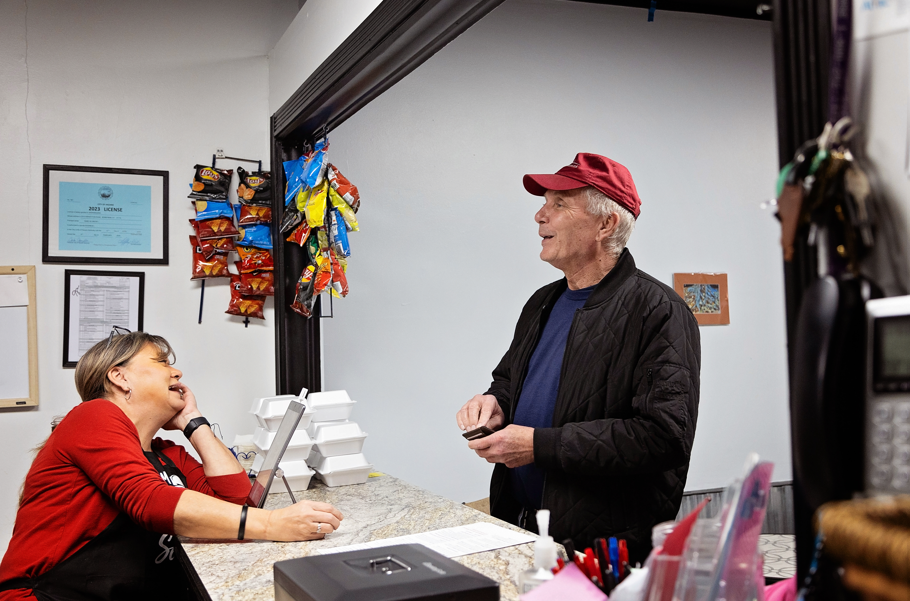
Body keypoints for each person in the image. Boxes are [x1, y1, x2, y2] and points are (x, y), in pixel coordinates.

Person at [456, 153, 701, 564]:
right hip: (521, 527)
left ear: (606, 225)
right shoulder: (542, 302)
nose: (540, 215)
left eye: (559, 204)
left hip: (602, 551)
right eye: (544, 203)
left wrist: (538, 445)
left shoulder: (659, 311)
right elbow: (510, 381)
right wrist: (494, 403)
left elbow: (663, 437)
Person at [0, 330, 344, 601]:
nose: (176, 372)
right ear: (120, 377)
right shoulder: (91, 416)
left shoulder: (166, 452)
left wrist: (193, 422)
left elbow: (240, 503)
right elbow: (150, 501)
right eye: (162, 362)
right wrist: (272, 525)